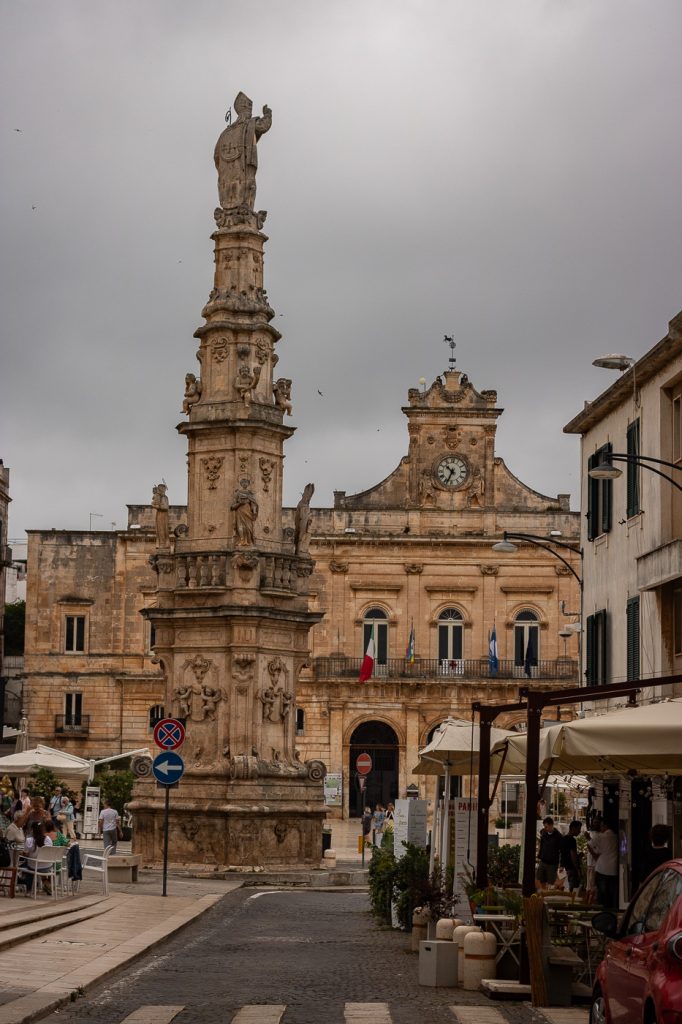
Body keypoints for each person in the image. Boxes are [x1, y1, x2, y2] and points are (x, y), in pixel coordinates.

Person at [588, 819, 619, 909]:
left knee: (602, 893)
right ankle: (611, 909)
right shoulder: (616, 837)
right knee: (612, 893)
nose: (600, 828)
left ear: (605, 826)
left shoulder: (600, 836)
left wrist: (595, 856)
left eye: (601, 826)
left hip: (602, 869)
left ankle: (603, 909)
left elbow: (589, 844)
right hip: (613, 869)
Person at [536, 816, 563, 888]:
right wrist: (539, 856)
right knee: (541, 879)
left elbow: (562, 851)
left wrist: (561, 864)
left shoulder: (558, 836)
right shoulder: (544, 833)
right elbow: (541, 845)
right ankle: (543, 892)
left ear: (551, 825)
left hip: (552, 863)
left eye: (546, 827)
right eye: (544, 827)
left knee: (551, 882)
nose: (545, 828)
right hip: (543, 861)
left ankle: (550, 892)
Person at [559, 820, 583, 892]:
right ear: (573, 828)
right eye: (578, 829)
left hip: (563, 867)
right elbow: (573, 855)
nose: (579, 831)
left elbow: (563, 853)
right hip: (571, 868)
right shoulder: (572, 840)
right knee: (571, 891)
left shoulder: (563, 839)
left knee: (563, 889)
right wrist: (578, 869)